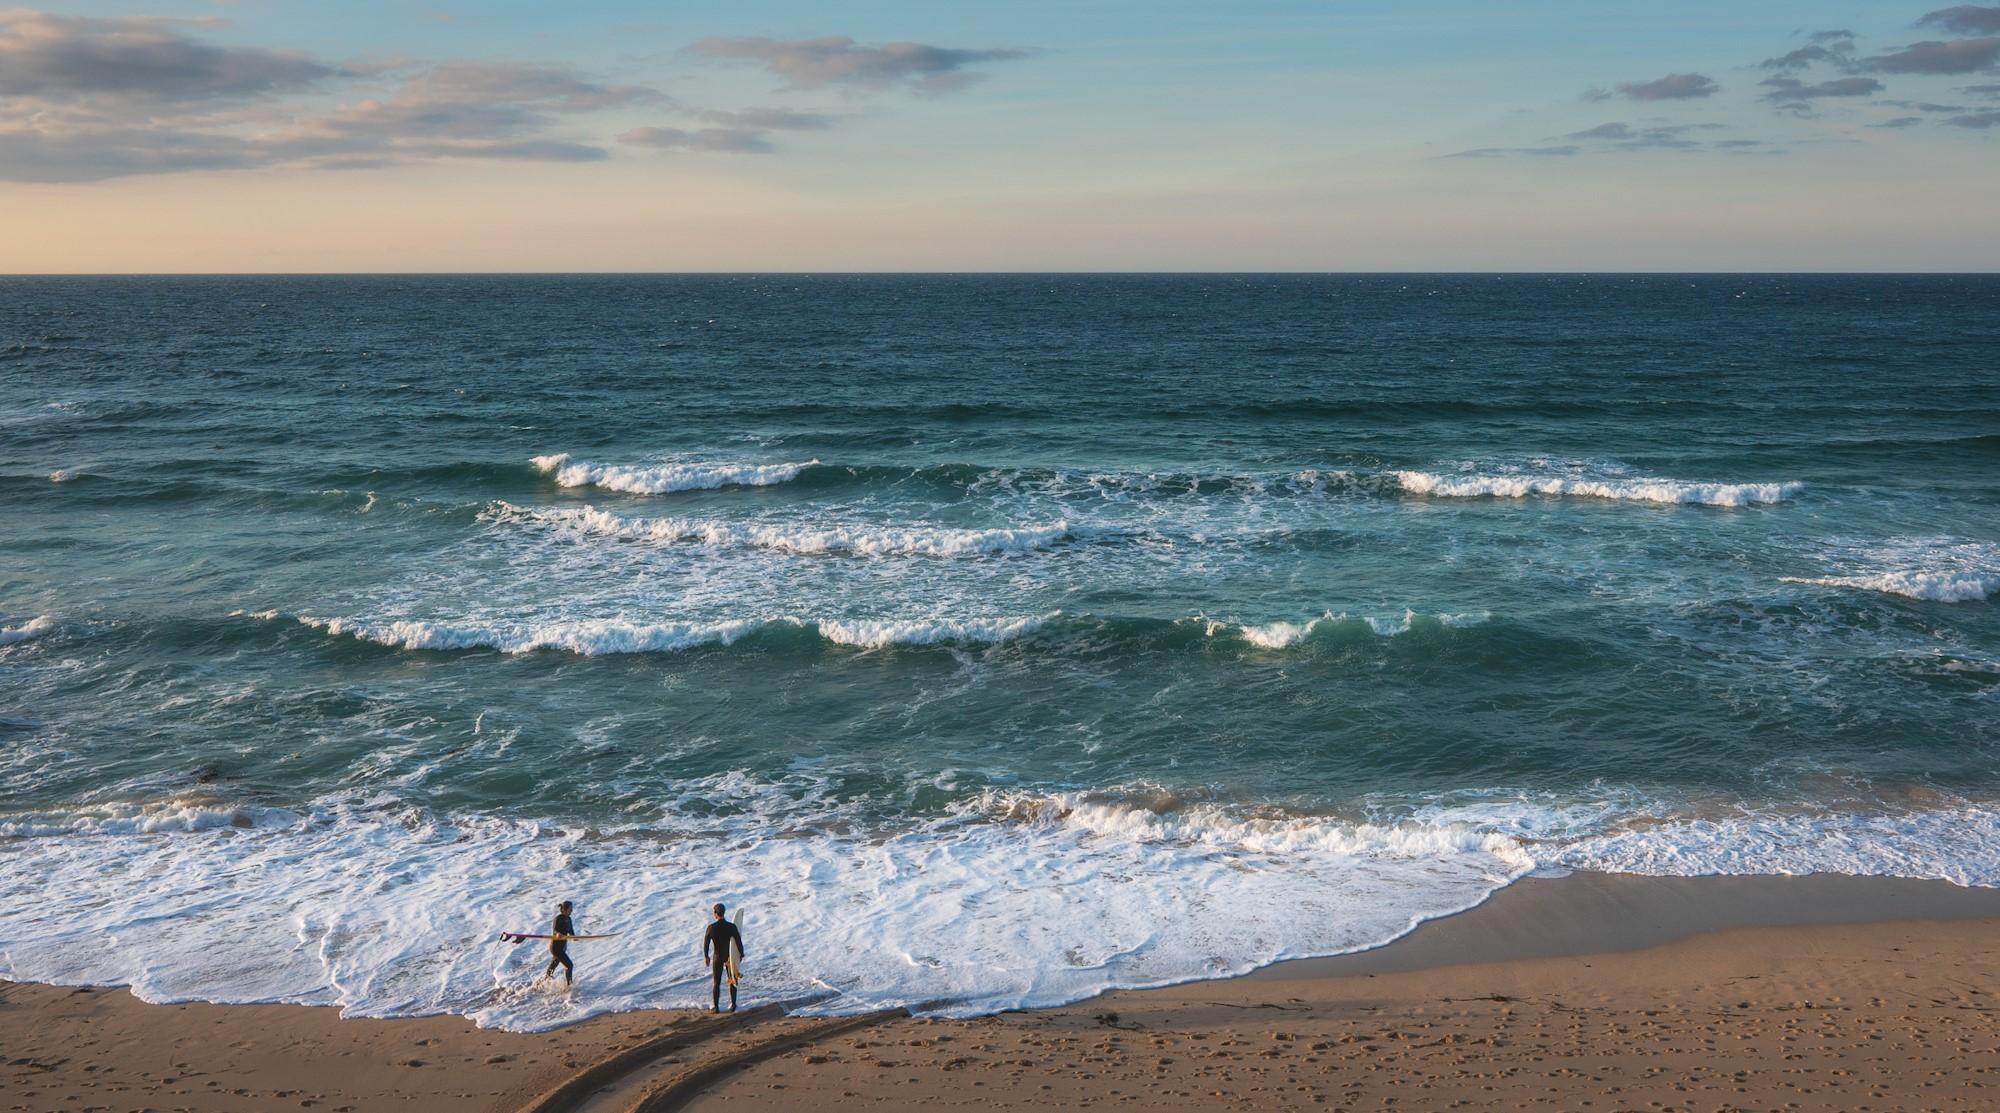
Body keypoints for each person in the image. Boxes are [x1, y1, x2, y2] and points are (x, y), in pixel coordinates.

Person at [702, 903, 744, 1012]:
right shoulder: (731, 927)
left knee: (716, 983)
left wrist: (706, 956)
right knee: (732, 980)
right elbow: (738, 942)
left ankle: (716, 1007)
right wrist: (741, 954)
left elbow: (706, 943)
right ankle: (733, 1005)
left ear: (715, 914)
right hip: (729, 957)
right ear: (724, 913)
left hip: (717, 957)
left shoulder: (711, 928)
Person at [543, 900, 576, 987]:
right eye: (570, 909)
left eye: (571, 909)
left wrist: (574, 937)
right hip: (556, 948)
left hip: (562, 947)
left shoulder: (569, 919)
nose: (571, 911)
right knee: (569, 966)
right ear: (564, 910)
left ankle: (542, 983)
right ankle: (569, 986)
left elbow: (570, 931)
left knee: (553, 966)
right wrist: (557, 934)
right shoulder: (558, 919)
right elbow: (555, 930)